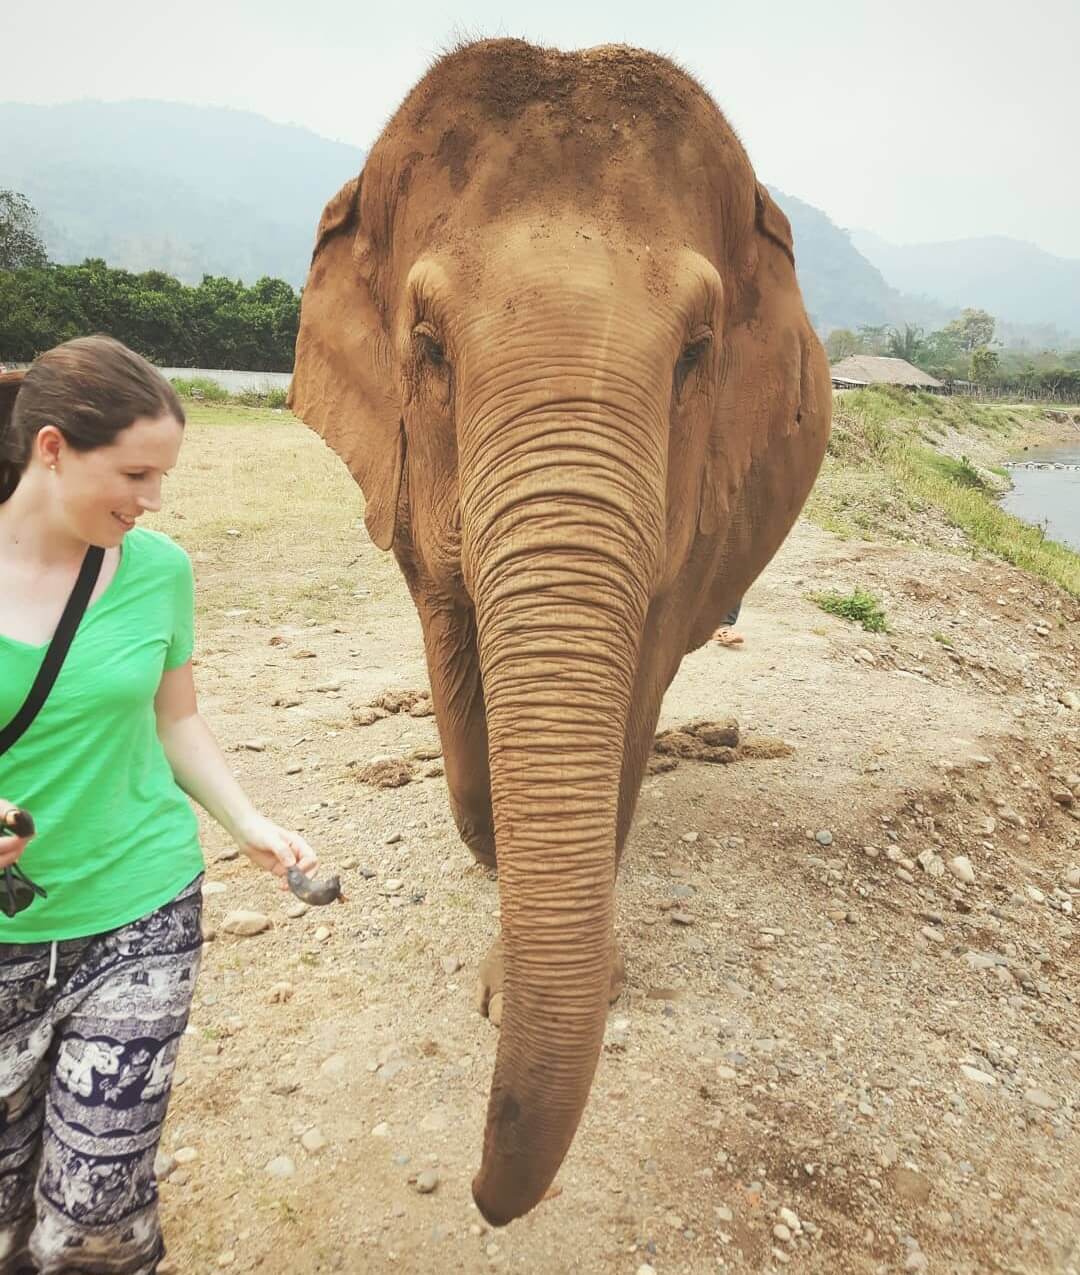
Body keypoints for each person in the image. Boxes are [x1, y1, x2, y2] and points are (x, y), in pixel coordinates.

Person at [0, 336, 317, 1275]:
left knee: (97, 1210)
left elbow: (176, 722)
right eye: (136, 472)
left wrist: (248, 821)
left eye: (163, 475)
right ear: (52, 448)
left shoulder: (157, 570)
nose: (152, 500)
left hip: (141, 905)